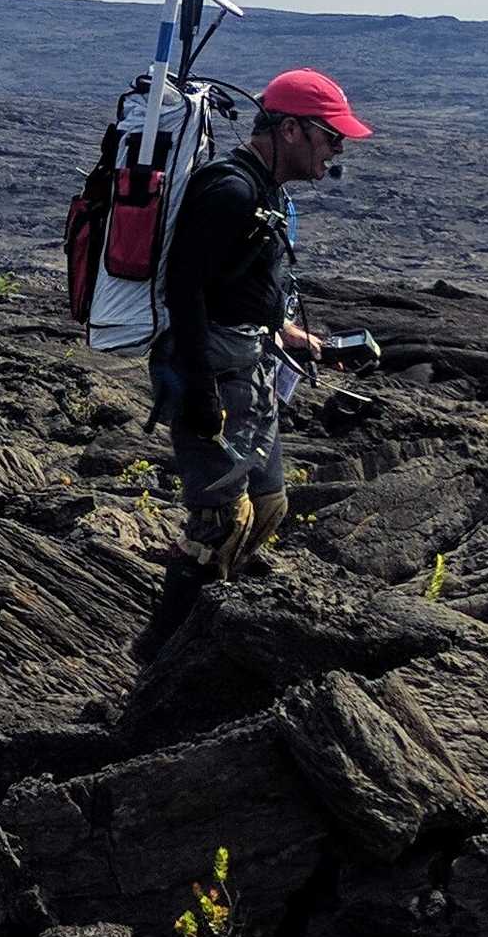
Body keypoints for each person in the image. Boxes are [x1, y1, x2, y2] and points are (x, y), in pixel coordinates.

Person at [155, 68, 371, 578]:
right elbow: (184, 293)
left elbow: (233, 288)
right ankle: (170, 637)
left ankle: (206, 611)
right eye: (331, 135)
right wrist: (201, 396)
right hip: (212, 373)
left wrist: (288, 332)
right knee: (222, 520)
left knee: (268, 509)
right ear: (291, 130)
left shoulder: (265, 191)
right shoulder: (229, 192)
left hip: (248, 371)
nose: (338, 149)